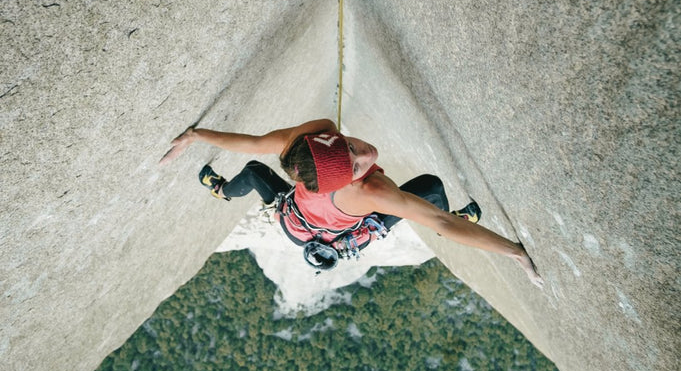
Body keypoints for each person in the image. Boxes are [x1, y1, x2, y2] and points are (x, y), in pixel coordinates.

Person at [161, 117, 543, 286]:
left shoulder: (307, 142)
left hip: (299, 225)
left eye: (350, 148)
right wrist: (515, 252)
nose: (368, 155)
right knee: (430, 189)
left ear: (326, 144)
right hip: (344, 231)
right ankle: (221, 191)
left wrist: (196, 135)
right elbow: (442, 223)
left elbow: (253, 142)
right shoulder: (370, 192)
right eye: (357, 166)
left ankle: (223, 190)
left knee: (253, 172)